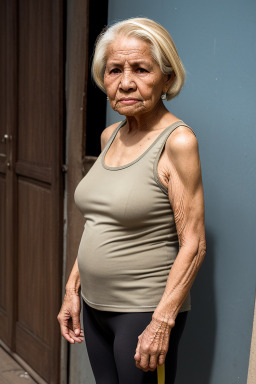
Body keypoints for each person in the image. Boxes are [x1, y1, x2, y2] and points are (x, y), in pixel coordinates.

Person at [57, 17, 206, 384]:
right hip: (93, 308)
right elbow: (99, 223)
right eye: (114, 70)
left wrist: (162, 321)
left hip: (142, 313)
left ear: (167, 78)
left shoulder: (177, 142)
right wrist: (71, 290)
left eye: (141, 69)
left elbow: (195, 242)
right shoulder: (111, 135)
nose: (125, 82)